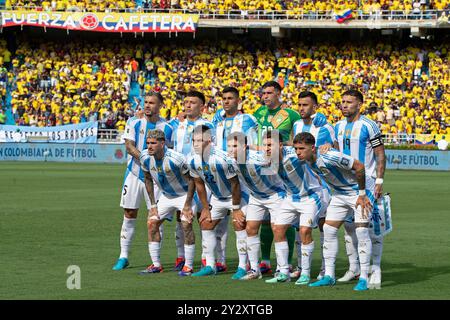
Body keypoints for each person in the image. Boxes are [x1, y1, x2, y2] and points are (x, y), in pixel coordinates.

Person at [253, 81, 327, 275]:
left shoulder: (292, 115)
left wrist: (321, 119)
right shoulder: (258, 113)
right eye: (263, 93)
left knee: (319, 226)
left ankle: (319, 268)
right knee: (275, 221)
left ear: (278, 94)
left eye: (269, 92)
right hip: (276, 165)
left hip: (308, 173)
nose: (265, 96)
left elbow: (303, 142)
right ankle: (282, 265)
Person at [294, 132, 373, 291]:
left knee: (362, 232)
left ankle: (364, 277)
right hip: (339, 194)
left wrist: (363, 194)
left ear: (313, 148)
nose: (298, 152)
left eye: (301, 148)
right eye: (296, 149)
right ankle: (329, 276)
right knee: (328, 229)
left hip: (359, 193)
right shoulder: (307, 159)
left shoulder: (329, 156)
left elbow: (359, 166)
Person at [322, 89, 386, 289]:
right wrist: (326, 147)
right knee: (342, 229)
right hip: (343, 187)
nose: (344, 105)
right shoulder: (337, 126)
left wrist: (379, 181)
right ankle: (352, 268)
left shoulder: (369, 125)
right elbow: (332, 152)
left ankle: (367, 275)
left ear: (359, 104)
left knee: (363, 230)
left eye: (349, 102)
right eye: (342, 101)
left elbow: (380, 154)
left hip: (365, 185)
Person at [112, 92, 173, 271]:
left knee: (155, 216)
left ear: (160, 105)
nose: (147, 105)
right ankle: (123, 256)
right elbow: (129, 146)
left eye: (152, 103)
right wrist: (145, 159)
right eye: (146, 102)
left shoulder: (167, 127)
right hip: (133, 174)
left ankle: (156, 260)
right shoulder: (134, 121)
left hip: (156, 178)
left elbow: (170, 148)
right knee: (129, 214)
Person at [266, 130, 329, 285]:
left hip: (310, 197)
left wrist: (326, 146)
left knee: (305, 231)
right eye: (265, 145)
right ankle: (283, 272)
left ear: (280, 145)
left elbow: (310, 151)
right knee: (278, 229)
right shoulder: (267, 160)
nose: (267, 148)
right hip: (290, 198)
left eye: (271, 145)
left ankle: (306, 273)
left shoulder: (295, 156)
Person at [226, 131, 287, 281]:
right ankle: (254, 269)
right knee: (250, 228)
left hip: (275, 195)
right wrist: (235, 209)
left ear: (245, 147)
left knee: (277, 229)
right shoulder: (230, 162)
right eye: (228, 146)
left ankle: (281, 269)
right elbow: (235, 184)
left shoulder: (258, 158)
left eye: (235, 146)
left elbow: (278, 156)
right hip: (256, 197)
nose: (231, 149)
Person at [187, 125, 246, 277]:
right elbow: (199, 184)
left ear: (209, 141)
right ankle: (211, 266)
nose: (195, 144)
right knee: (205, 223)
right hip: (218, 198)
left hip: (237, 197)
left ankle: (243, 266)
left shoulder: (222, 158)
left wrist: (236, 208)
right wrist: (205, 208)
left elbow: (235, 184)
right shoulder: (192, 160)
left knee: (239, 225)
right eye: (194, 140)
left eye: (200, 140)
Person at [169, 90, 217, 272]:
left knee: (204, 218)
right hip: (181, 180)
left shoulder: (208, 125)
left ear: (202, 107)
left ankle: (207, 259)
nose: (188, 105)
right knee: (181, 219)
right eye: (186, 102)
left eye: (193, 102)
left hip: (202, 177)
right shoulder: (175, 124)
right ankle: (181, 257)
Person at [139, 129, 197, 276]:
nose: (149, 146)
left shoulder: (176, 159)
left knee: (186, 223)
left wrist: (188, 205)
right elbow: (147, 179)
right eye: (148, 143)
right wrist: (152, 206)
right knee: (152, 223)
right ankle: (156, 265)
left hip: (184, 195)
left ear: (162, 143)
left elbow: (192, 181)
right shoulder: (145, 157)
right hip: (166, 196)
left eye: (153, 143)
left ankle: (188, 266)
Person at [292, 91, 336, 280]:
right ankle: (301, 266)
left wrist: (330, 146)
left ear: (315, 107)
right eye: (300, 105)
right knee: (299, 229)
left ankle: (326, 268)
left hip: (322, 184)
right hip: (302, 185)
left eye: (306, 105)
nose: (301, 108)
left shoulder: (326, 127)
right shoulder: (296, 124)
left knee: (324, 226)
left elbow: (335, 148)